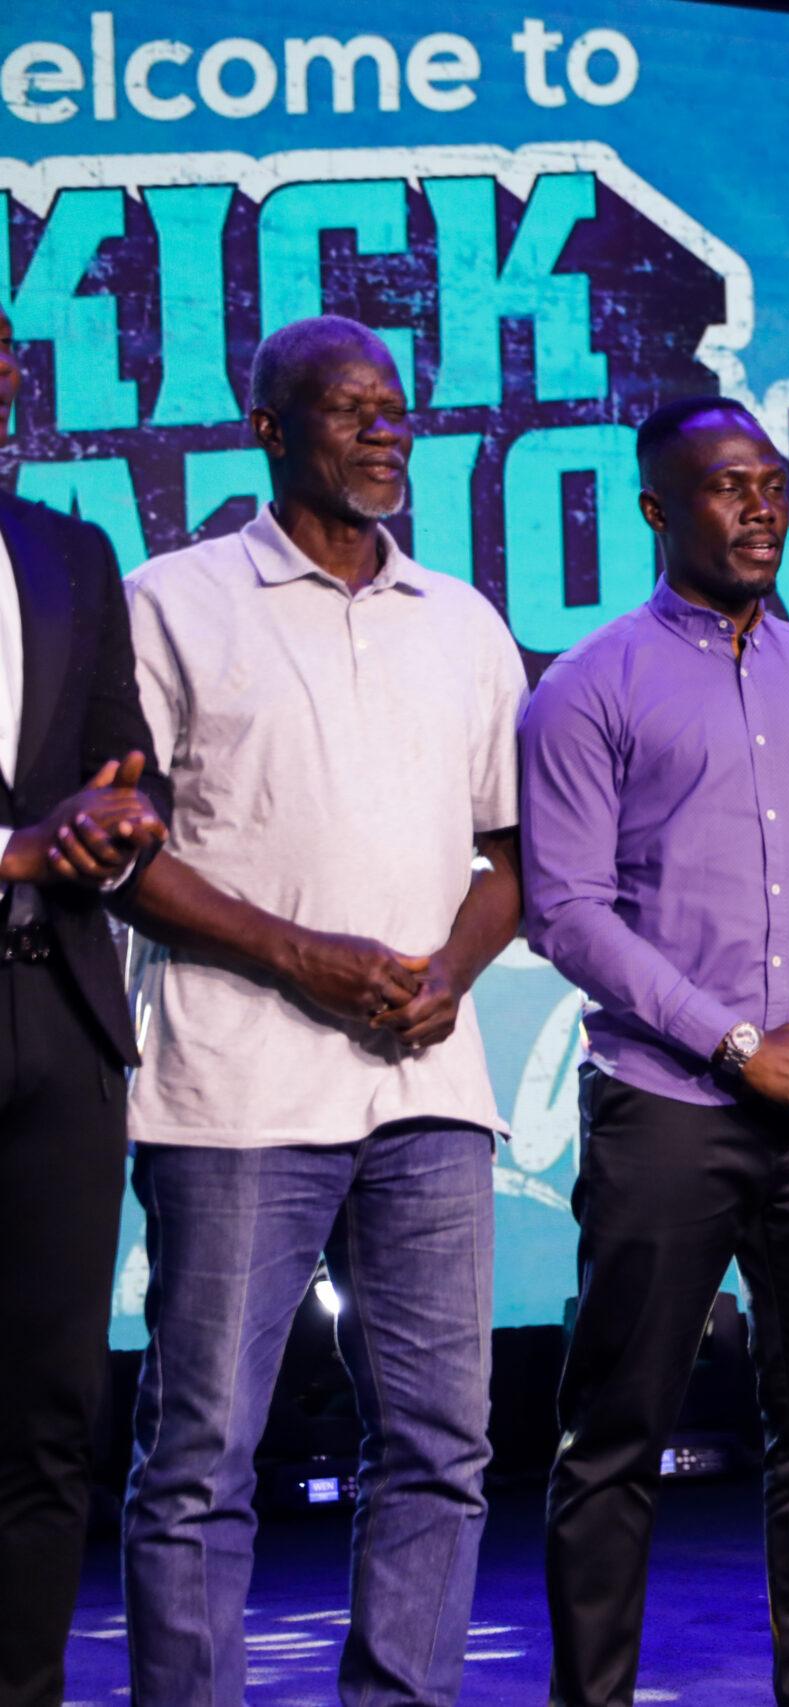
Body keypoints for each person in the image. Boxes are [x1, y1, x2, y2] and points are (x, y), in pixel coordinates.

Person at [116, 316, 526, 1706]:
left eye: (394, 407)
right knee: (201, 1457)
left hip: (429, 1091)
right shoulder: (174, 600)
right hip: (236, 1092)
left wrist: (450, 971)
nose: (382, 429)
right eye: (348, 408)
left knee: (442, 1447)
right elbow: (122, 851)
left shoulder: (461, 620)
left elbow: (513, 850)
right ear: (270, 428)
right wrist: (303, 957)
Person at [521, 396, 789, 1706]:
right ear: (655, 508)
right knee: (615, 1431)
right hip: (666, 1107)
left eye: (772, 483)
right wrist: (739, 1044)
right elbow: (566, 909)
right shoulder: (588, 686)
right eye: (726, 485)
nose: (761, 506)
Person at [0, 301, 174, 1707]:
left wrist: (123, 819)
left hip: (59, 1018)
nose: (1, 373)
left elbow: (127, 758)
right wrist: (14, 847)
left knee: (51, 1408)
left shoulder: (68, 552)